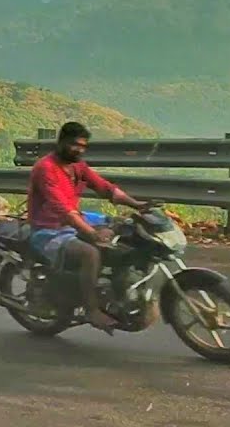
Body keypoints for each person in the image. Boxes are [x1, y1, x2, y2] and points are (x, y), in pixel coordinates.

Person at [27, 121, 147, 334]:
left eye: (83, 146)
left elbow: (106, 188)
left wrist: (138, 205)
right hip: (49, 229)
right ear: (61, 141)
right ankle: (92, 309)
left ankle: (114, 291)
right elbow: (63, 209)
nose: (79, 149)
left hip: (75, 219)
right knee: (90, 253)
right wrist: (91, 233)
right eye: (75, 145)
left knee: (123, 226)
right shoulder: (45, 169)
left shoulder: (77, 166)